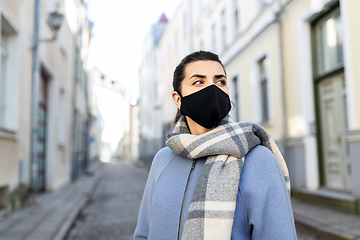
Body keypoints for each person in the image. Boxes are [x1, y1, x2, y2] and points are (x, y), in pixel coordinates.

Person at [134, 51, 297, 240]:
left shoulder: (259, 161)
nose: (213, 89)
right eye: (198, 82)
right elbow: (144, 233)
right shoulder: (162, 160)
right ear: (178, 99)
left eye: (220, 82)